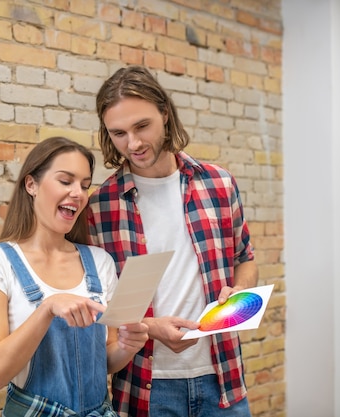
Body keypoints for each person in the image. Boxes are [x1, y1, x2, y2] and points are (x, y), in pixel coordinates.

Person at [87, 66, 259, 417]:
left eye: (142, 126)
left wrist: (237, 295)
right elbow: (98, 306)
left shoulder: (219, 184)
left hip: (222, 380)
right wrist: (150, 328)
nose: (132, 144)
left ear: (165, 113)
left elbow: (246, 259)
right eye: (118, 133)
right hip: (145, 390)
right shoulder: (99, 206)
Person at [0, 136, 149, 417]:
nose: (78, 193)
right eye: (66, 181)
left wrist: (126, 347)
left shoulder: (100, 263)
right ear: (32, 185)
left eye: (85, 185)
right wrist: (47, 308)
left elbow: (106, 361)